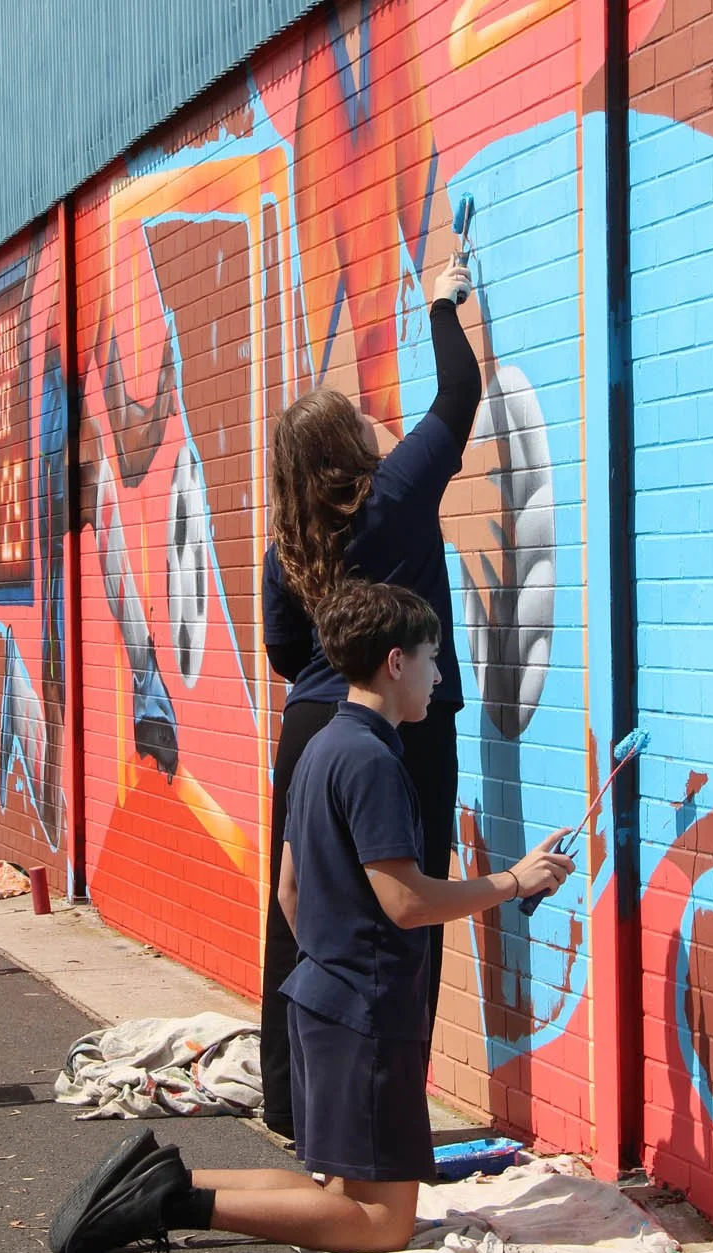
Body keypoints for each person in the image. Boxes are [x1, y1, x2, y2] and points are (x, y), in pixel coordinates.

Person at [50, 582, 573, 1253]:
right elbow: (407, 902)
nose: (438, 675)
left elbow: (290, 890)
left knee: (336, 1191)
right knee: (381, 1220)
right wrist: (513, 881)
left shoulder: (323, 744)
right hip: (366, 1010)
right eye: (431, 657)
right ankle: (174, 1200)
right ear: (394, 661)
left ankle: (164, 1177)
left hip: (321, 996)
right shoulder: (374, 758)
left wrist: (330, 962)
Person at [257, 253, 480, 1139]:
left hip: (312, 725)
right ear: (352, 444)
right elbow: (458, 394)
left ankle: (290, 1099)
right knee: (407, 906)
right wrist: (441, 302)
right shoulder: (399, 488)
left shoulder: (289, 543)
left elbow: (280, 647)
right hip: (406, 728)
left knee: (301, 902)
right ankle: (391, 1102)